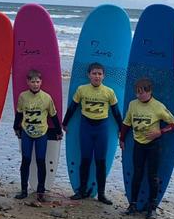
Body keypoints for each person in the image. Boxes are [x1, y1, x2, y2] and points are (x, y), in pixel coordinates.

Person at [62, 63, 123, 203]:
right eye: (94, 73)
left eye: (99, 74)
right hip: (86, 128)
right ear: (88, 75)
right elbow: (72, 108)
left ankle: (101, 194)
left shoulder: (109, 92)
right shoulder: (82, 90)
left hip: (102, 128)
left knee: (100, 162)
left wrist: (122, 130)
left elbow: (116, 112)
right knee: (85, 160)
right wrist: (65, 123)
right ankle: (81, 191)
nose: (97, 76)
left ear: (104, 76)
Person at [119, 77, 174, 219]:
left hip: (153, 145)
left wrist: (160, 132)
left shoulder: (158, 106)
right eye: (137, 93)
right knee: (137, 174)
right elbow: (126, 123)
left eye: (142, 93)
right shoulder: (133, 104)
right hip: (138, 144)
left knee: (152, 176)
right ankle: (132, 204)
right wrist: (121, 139)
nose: (139, 95)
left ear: (149, 91)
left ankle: (152, 207)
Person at [13, 68, 60, 202]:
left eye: (37, 81)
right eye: (33, 82)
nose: (35, 84)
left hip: (41, 133)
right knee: (26, 160)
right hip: (27, 132)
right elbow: (19, 113)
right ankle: (23, 190)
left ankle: (41, 191)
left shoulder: (46, 97)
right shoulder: (23, 96)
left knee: (40, 161)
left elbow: (53, 115)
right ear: (28, 82)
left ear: (41, 82)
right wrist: (16, 127)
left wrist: (58, 131)